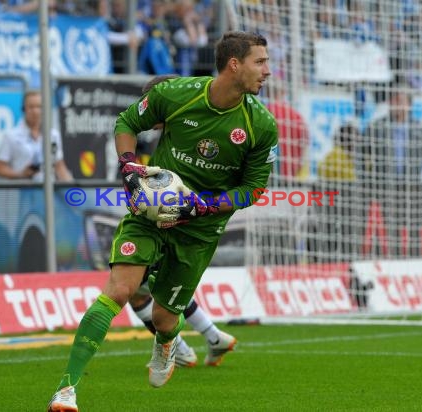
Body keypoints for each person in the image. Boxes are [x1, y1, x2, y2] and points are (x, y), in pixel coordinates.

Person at [47, 31, 278, 411]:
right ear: (234, 64)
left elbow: (252, 190)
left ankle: (166, 343)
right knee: (119, 290)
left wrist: (200, 208)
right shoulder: (177, 93)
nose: (267, 71)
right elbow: (126, 122)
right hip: (150, 213)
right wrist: (128, 167)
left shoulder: (261, 126)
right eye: (260, 62)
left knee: (164, 318)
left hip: (200, 230)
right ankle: (66, 390)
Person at [129, 73, 237, 369]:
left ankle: (178, 347)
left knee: (135, 289)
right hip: (182, 218)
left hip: (182, 220)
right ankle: (212, 338)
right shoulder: (176, 132)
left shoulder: (181, 137)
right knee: (159, 287)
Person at [359, 86, 422, 182]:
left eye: (399, 100)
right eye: (393, 100)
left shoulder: (421, 130)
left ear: (409, 104)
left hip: (411, 189)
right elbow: (361, 155)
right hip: (382, 188)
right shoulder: (375, 128)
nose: (396, 104)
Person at [0, 91, 73, 182]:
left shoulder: (53, 135)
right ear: (24, 109)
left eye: (39, 107)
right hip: (23, 190)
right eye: (31, 107)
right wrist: (21, 174)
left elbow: (59, 166)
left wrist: (74, 191)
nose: (35, 111)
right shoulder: (11, 136)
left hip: (49, 190)